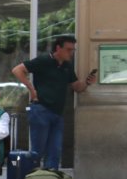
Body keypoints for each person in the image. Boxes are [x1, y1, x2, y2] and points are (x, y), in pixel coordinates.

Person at [11, 36, 96, 169]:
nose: (71, 53)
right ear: (58, 48)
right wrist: (31, 89)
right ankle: (32, 178)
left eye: (73, 50)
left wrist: (87, 82)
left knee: (54, 152)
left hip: (57, 114)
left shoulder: (67, 66)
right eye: (68, 49)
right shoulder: (44, 60)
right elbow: (17, 70)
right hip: (41, 110)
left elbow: (77, 87)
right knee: (37, 152)